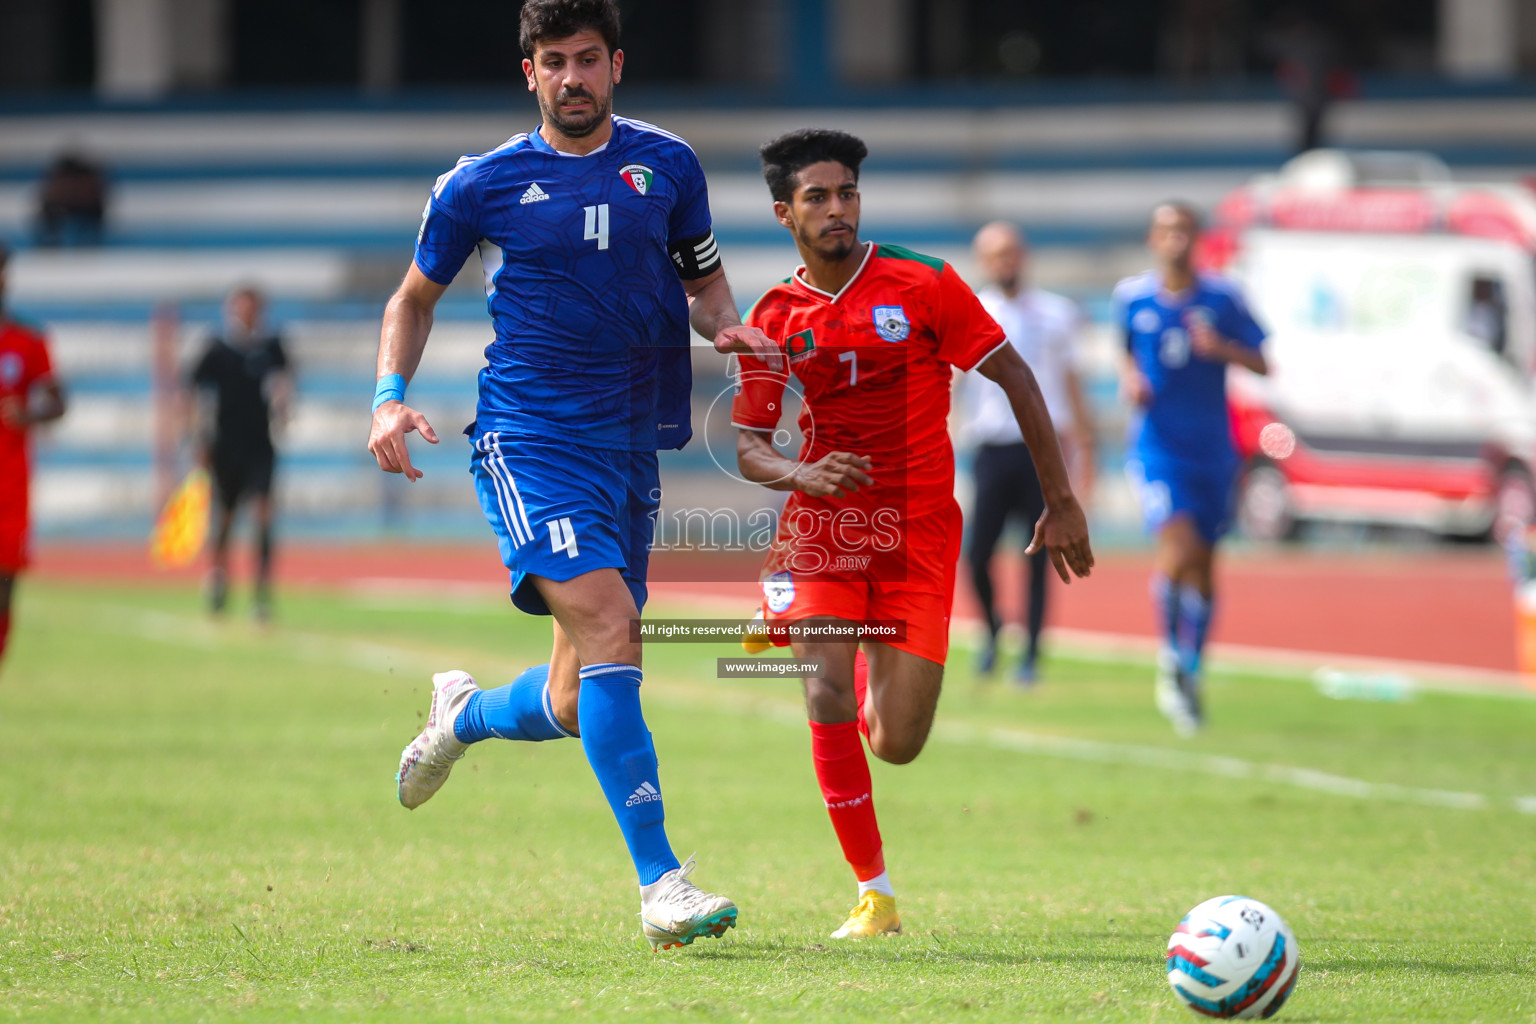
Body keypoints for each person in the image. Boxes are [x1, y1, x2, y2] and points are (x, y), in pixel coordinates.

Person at [371, 0, 778, 951]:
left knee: (571, 695)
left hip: (632, 441)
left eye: (587, 59)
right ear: (530, 74)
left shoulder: (669, 165)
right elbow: (413, 299)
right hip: (529, 436)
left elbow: (702, 278)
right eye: (553, 62)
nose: (572, 78)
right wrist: (389, 397)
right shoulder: (479, 185)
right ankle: (661, 884)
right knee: (611, 625)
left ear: (616, 64)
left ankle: (463, 716)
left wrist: (725, 324)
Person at [732, 130, 1094, 939]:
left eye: (847, 192)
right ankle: (875, 894)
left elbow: (1017, 378)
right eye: (818, 197)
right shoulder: (772, 316)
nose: (837, 209)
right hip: (824, 528)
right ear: (784, 212)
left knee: (897, 743)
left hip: (919, 536)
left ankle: (823, 641)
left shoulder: (924, 283)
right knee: (821, 687)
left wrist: (1061, 498)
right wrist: (801, 475)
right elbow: (750, 446)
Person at [1114, 203, 1267, 736]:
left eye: (1184, 230)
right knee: (1176, 548)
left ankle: (1193, 668)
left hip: (1213, 451)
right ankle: (1170, 659)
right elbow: (1125, 352)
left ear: (1196, 238)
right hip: (1158, 450)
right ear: (1153, 238)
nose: (1175, 239)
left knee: (1204, 564)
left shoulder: (1223, 298)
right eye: (1166, 231)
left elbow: (1265, 360)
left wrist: (1222, 349)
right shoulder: (1132, 297)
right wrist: (1130, 379)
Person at [957, 222, 1095, 685]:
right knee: (976, 555)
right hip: (992, 447)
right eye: (995, 254)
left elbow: (1073, 385)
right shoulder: (970, 311)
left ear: (1025, 254)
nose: (1005, 262)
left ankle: (1031, 654)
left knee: (1040, 555)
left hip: (1042, 449)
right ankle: (995, 632)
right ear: (983, 261)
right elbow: (952, 381)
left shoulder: (1057, 314)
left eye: (1011, 252)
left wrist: (1086, 452)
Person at [187, 285, 293, 621]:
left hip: (260, 444)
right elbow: (194, 392)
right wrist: (197, 438)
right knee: (227, 517)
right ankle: (219, 576)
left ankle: (261, 594)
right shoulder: (217, 349)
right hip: (225, 445)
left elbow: (284, 382)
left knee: (263, 513)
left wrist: (284, 405)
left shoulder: (271, 347)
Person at [0, 241, 67, 671]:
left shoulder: (27, 338)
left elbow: (58, 402)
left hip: (9, 484)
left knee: (5, 587)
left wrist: (30, 412)